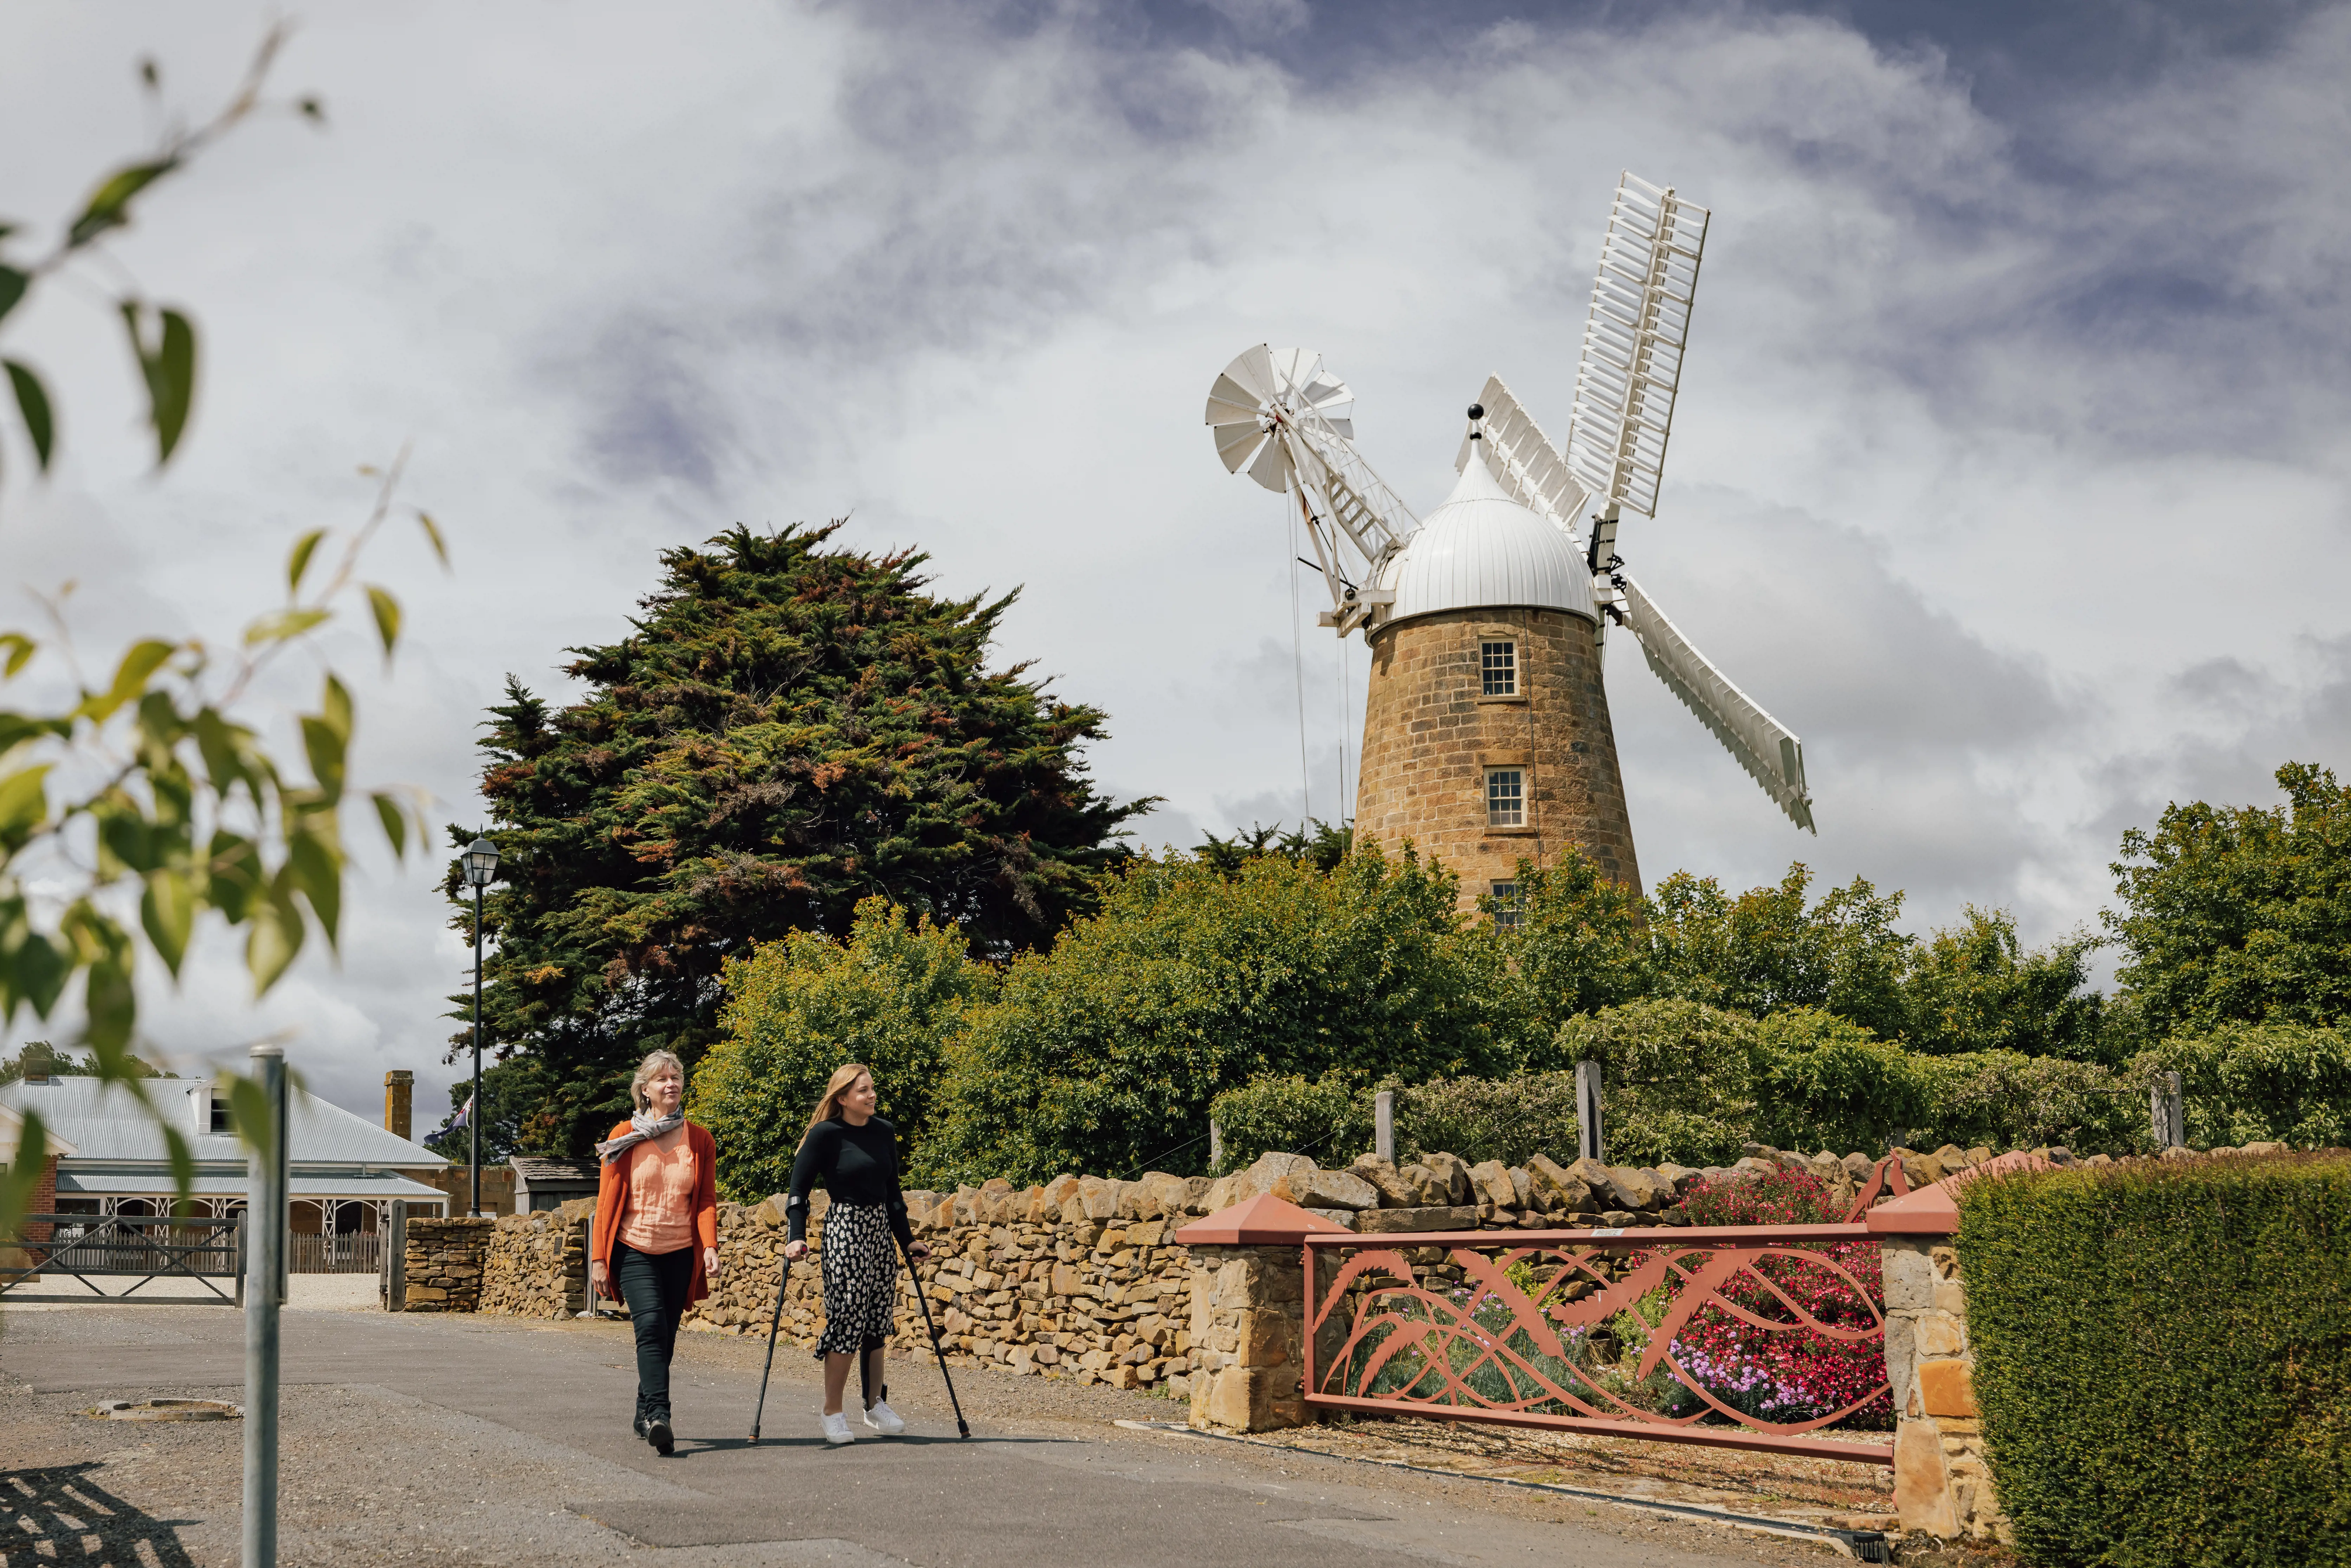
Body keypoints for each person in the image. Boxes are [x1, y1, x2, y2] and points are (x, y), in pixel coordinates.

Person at [783, 1063, 929, 1446]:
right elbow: (798, 1192)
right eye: (863, 1091)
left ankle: (874, 1404)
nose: (871, 1096)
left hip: (879, 1229)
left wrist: (908, 1239)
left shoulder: (883, 1133)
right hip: (845, 1227)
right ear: (843, 1098)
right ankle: (832, 1410)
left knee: (878, 1317)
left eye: (872, 1089)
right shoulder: (825, 1134)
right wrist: (796, 1237)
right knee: (848, 1314)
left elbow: (893, 1193)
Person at [590, 1049, 722, 1456]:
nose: (671, 1084)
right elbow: (606, 1203)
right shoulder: (623, 1135)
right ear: (644, 1089)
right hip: (634, 1249)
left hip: (680, 1252)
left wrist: (710, 1245)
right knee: (649, 1328)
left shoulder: (699, 1139)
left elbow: (704, 1199)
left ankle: (643, 1409)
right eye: (662, 1078)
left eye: (677, 1077)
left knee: (664, 1338)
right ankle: (660, 1416)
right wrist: (598, 1258)